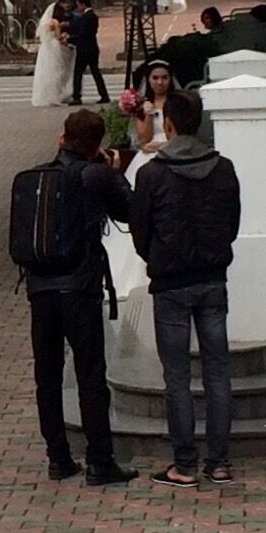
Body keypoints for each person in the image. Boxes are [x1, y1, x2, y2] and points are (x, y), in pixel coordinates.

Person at [129, 88, 242, 489]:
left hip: (172, 281)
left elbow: (140, 232)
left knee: (176, 376)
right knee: (218, 373)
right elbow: (232, 223)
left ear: (170, 124)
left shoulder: (152, 173)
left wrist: (157, 257)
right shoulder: (223, 168)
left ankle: (185, 464)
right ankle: (220, 462)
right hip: (212, 277)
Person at [24, 110, 137, 486]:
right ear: (96, 144)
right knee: (90, 373)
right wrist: (115, 170)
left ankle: (58, 457)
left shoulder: (38, 176)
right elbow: (129, 210)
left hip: (40, 287)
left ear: (62, 137)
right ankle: (99, 460)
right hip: (80, 285)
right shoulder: (96, 174)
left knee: (48, 374)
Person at [128, 58, 177, 170]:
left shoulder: (177, 103)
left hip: (173, 149)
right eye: (155, 78)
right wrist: (149, 114)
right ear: (148, 79)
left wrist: (162, 146)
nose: (160, 82)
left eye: (164, 78)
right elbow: (144, 139)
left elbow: (183, 133)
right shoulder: (140, 105)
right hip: (149, 151)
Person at [31, 0, 74, 108]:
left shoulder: (45, 23)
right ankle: (55, 95)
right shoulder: (55, 22)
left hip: (45, 48)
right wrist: (65, 36)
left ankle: (46, 95)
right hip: (55, 46)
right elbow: (58, 36)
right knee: (57, 71)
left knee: (46, 71)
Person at [68, 0, 109, 105]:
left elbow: (82, 33)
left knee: (78, 73)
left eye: (79, 5)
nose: (78, 8)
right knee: (95, 72)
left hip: (84, 49)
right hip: (92, 48)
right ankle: (104, 94)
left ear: (83, 4)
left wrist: (69, 38)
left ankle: (77, 96)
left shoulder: (87, 17)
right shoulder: (93, 16)